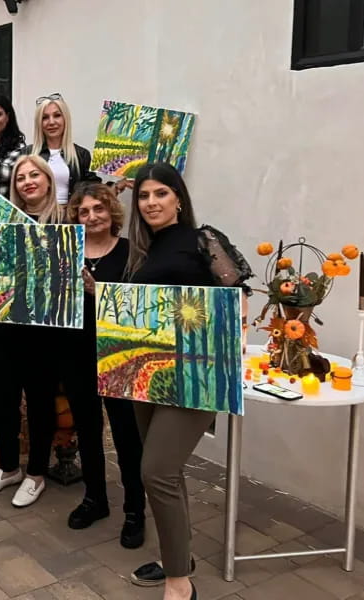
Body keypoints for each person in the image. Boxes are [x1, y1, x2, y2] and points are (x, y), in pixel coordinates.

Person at [125, 162, 221, 600]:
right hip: (149, 373)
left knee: (156, 471)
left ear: (179, 198)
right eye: (143, 196)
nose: (151, 203)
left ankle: (180, 585)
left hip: (194, 375)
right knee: (168, 473)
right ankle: (177, 558)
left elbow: (236, 299)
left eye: (160, 194)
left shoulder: (204, 240)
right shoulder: (147, 249)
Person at [0, 155, 60, 507]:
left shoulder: (65, 222)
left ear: (48, 180)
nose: (27, 181)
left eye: (34, 174)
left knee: (40, 400)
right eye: (20, 177)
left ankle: (36, 473)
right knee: (2, 399)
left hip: (42, 331)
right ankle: (9, 467)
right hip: (0, 326)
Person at [64, 183, 146, 547]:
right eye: (84, 211)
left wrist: (98, 293)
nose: (92, 216)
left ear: (111, 211)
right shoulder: (69, 252)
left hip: (118, 356)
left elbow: (139, 307)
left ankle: (134, 510)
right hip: (76, 353)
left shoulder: (131, 252)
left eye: (98, 209)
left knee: (127, 435)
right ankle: (95, 498)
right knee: (87, 428)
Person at [26, 93, 99, 206]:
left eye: (57, 115)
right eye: (45, 117)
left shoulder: (81, 154)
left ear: (65, 118)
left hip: (70, 220)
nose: (51, 122)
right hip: (38, 219)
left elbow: (93, 191)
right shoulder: (27, 154)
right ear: (39, 123)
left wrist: (117, 186)